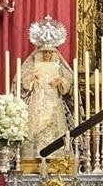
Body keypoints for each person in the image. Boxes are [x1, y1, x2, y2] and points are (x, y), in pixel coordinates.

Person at [20, 16, 74, 161]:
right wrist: (32, 78)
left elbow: (68, 81)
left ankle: (57, 157)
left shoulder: (57, 65)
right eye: (45, 52)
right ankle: (34, 157)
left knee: (54, 127)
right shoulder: (35, 65)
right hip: (38, 100)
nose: (48, 55)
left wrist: (61, 81)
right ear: (40, 53)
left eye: (50, 52)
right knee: (36, 128)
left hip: (54, 100)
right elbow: (23, 82)